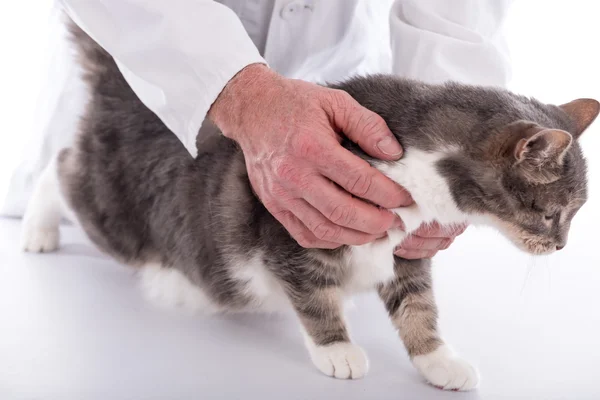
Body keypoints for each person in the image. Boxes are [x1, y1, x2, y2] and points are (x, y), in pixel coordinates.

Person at [47, 0, 513, 258]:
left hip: (339, 75)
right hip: (152, 88)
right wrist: (240, 92)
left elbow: (457, 14)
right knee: (130, 232)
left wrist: (441, 145)